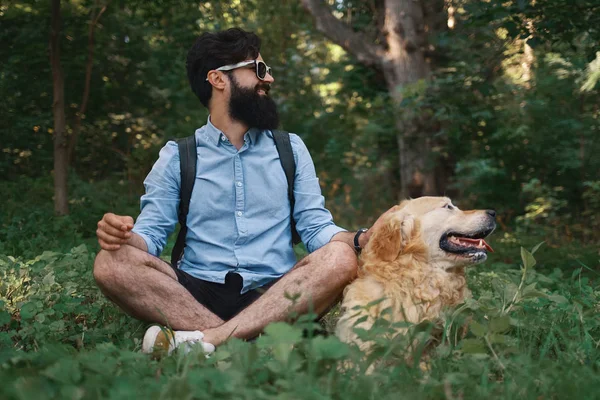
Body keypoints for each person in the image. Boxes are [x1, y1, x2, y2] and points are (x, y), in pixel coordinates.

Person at [93, 28, 392, 355]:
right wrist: (122, 236)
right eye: (259, 70)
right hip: (194, 293)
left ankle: (208, 342)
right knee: (111, 262)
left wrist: (358, 239)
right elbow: (150, 235)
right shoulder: (176, 157)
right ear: (218, 79)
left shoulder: (290, 149)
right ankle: (247, 342)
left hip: (275, 294)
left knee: (339, 257)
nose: (270, 79)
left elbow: (316, 227)